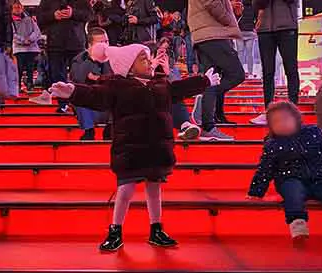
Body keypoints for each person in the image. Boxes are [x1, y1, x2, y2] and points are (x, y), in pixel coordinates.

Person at [50, 43, 220, 251]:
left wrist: (204, 81)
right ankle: (115, 230)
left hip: (156, 148)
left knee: (154, 189)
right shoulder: (117, 87)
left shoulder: (161, 84)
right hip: (131, 150)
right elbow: (95, 95)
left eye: (148, 59)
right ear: (128, 66)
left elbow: (180, 89)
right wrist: (72, 92)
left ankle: (156, 229)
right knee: (125, 190)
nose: (149, 63)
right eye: (143, 59)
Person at [247, 102, 322, 239]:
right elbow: (265, 168)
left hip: (319, 179)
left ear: (297, 118)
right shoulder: (273, 144)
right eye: (276, 121)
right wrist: (256, 191)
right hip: (290, 179)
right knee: (293, 193)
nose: (282, 123)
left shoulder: (313, 132)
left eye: (286, 119)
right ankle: (298, 222)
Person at [188, 0, 245, 140]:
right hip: (212, 35)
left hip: (206, 34)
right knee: (236, 74)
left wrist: (230, 12)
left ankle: (210, 123)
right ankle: (205, 105)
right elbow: (212, 4)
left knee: (212, 79)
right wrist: (228, 15)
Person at [36, 0, 92, 111]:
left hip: (76, 42)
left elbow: (89, 15)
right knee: (56, 75)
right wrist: (53, 15)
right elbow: (40, 18)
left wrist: (73, 13)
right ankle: (62, 104)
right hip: (55, 43)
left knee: (78, 75)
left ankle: (78, 103)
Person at [250, 0, 300, 125]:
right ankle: (268, 111)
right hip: (265, 29)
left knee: (291, 69)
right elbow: (256, 4)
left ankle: (293, 110)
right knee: (267, 72)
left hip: (287, 26)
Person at [152, 37, 201, 140]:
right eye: (159, 52)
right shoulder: (143, 66)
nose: (161, 55)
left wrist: (168, 72)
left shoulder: (171, 68)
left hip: (165, 102)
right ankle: (190, 120)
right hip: (148, 102)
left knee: (174, 94)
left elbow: (178, 85)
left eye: (165, 53)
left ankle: (186, 125)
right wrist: (152, 66)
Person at [70, 27, 112, 140]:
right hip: (91, 101)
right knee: (79, 95)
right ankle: (89, 131)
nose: (105, 45)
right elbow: (77, 79)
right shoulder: (79, 59)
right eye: (101, 43)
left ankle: (110, 129)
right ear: (90, 45)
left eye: (106, 41)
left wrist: (99, 78)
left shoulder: (114, 56)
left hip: (109, 100)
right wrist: (92, 59)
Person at [12, 1, 42, 92]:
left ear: (22, 8)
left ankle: (30, 84)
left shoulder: (30, 19)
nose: (18, 9)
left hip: (31, 48)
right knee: (19, 69)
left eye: (19, 7)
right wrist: (22, 40)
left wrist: (30, 39)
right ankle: (18, 86)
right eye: (15, 7)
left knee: (30, 68)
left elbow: (37, 31)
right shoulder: (10, 21)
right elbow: (12, 34)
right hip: (19, 49)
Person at [236, 0, 256, 79]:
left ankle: (240, 74)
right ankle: (250, 73)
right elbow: (256, 18)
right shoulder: (254, 6)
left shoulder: (239, 5)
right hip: (250, 32)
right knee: (250, 54)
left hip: (240, 32)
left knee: (240, 54)